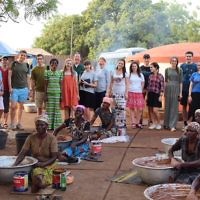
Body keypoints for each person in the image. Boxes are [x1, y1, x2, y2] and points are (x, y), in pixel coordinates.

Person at [13, 114, 58, 193]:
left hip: (50, 164)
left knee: (43, 176)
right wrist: (14, 165)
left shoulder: (52, 138)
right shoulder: (30, 137)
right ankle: (39, 183)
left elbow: (54, 157)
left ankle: (39, 184)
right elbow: (22, 153)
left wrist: (43, 164)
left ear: (47, 126)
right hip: (37, 165)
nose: (39, 127)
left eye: (42, 125)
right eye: (37, 125)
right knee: (37, 173)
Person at [8, 50, 30, 130]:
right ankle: (12, 123)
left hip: (24, 89)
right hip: (15, 89)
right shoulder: (13, 64)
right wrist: (10, 87)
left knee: (21, 107)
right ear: (18, 55)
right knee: (13, 106)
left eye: (24, 55)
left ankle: (18, 123)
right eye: (22, 55)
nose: (23, 57)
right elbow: (9, 76)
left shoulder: (27, 65)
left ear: (25, 57)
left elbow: (28, 77)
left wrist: (28, 88)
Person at [108, 59, 128, 133]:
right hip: (114, 92)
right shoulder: (112, 72)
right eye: (119, 63)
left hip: (122, 92)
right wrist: (109, 91)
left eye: (122, 64)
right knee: (114, 108)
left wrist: (126, 93)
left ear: (123, 65)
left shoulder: (125, 73)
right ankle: (115, 123)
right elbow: (111, 82)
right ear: (117, 63)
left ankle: (122, 124)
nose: (120, 64)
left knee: (122, 108)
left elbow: (127, 84)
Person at [164, 57, 183, 131]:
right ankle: (166, 124)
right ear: (170, 61)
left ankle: (172, 125)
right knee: (167, 106)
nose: (174, 62)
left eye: (175, 61)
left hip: (176, 88)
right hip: (168, 89)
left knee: (174, 107)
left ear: (177, 62)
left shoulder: (180, 70)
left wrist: (180, 93)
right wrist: (164, 91)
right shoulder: (167, 70)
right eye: (172, 60)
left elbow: (181, 82)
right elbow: (165, 81)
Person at [44, 58, 63, 130]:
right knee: (49, 110)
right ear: (50, 64)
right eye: (52, 63)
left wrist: (61, 95)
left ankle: (56, 126)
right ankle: (48, 126)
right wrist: (45, 95)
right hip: (49, 94)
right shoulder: (47, 72)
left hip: (57, 94)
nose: (54, 65)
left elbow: (61, 85)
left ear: (57, 65)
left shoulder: (60, 73)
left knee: (56, 109)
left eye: (55, 63)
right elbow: (45, 85)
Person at [180, 51, 197, 129]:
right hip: (183, 89)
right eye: (187, 56)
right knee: (184, 106)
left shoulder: (195, 66)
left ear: (192, 57)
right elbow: (180, 78)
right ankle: (185, 122)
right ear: (185, 57)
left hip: (192, 90)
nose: (188, 57)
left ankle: (191, 123)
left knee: (192, 106)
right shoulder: (182, 66)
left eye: (190, 56)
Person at [127, 61, 145, 129]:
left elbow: (143, 83)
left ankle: (138, 122)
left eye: (135, 66)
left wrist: (141, 89)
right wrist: (128, 91)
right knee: (132, 108)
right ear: (131, 67)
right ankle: (133, 123)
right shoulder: (129, 74)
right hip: (131, 92)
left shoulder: (141, 74)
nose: (134, 67)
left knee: (140, 109)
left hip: (139, 93)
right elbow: (128, 83)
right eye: (132, 66)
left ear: (137, 67)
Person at [146, 62, 164, 130]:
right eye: (150, 67)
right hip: (150, 94)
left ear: (156, 68)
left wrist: (161, 96)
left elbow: (162, 87)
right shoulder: (150, 76)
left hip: (157, 94)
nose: (150, 68)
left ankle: (159, 123)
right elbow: (148, 86)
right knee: (151, 110)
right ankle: (154, 123)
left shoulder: (160, 76)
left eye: (151, 67)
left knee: (155, 110)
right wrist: (147, 96)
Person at [140, 53, 152, 125]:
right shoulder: (140, 68)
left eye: (147, 58)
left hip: (150, 89)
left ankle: (150, 120)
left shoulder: (152, 67)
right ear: (143, 59)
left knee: (149, 105)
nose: (146, 60)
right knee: (141, 105)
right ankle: (140, 120)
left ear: (149, 59)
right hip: (142, 89)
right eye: (145, 58)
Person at [0, 56, 11, 128]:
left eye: (6, 60)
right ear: (1, 61)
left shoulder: (9, 70)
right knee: (0, 107)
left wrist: (11, 88)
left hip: (7, 90)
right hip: (0, 91)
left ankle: (5, 122)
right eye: (3, 60)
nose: (4, 61)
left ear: (7, 61)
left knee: (6, 107)